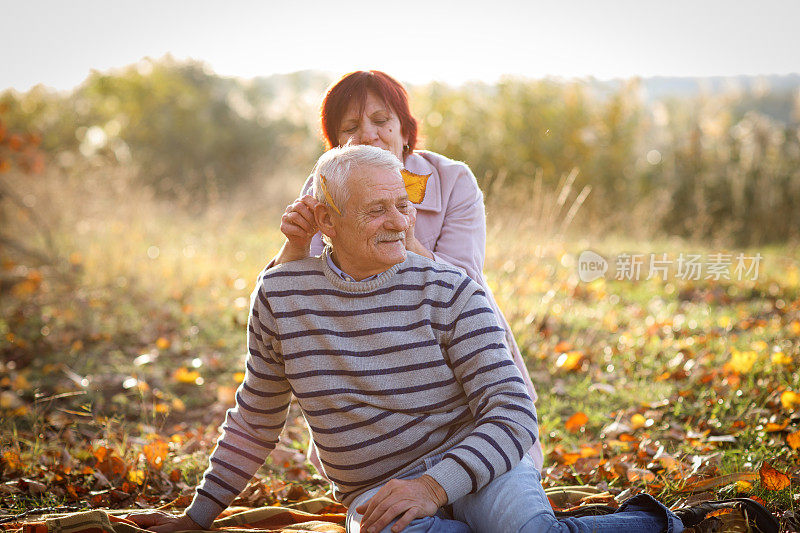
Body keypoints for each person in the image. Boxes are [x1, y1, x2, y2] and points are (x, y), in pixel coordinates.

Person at [126, 145, 777, 533]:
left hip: (482, 459)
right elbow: (255, 417)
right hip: (378, 491)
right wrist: (195, 516)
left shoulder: (448, 288)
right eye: (376, 208)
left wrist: (434, 486)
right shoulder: (281, 295)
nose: (399, 221)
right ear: (325, 218)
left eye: (403, 206)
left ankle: (665, 523)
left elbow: (514, 410)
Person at [271, 70, 544, 472]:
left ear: (405, 130)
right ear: (336, 145)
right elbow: (285, 295)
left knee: (489, 483)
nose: (367, 134)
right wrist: (294, 243)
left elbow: (466, 281)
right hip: (370, 373)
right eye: (350, 127)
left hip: (456, 352)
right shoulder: (325, 184)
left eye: (381, 121)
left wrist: (401, 234)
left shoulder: (452, 180)